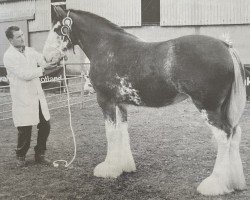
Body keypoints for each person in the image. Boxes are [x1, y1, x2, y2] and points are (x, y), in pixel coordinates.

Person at [3, 26, 55, 167]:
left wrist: (55, 59)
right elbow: (24, 74)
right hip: (23, 97)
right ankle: (20, 156)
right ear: (11, 40)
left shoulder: (30, 50)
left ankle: (40, 154)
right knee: (25, 129)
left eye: (22, 35)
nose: (22, 38)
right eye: (18, 37)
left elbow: (43, 60)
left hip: (37, 95)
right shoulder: (9, 56)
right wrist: (42, 69)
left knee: (45, 125)